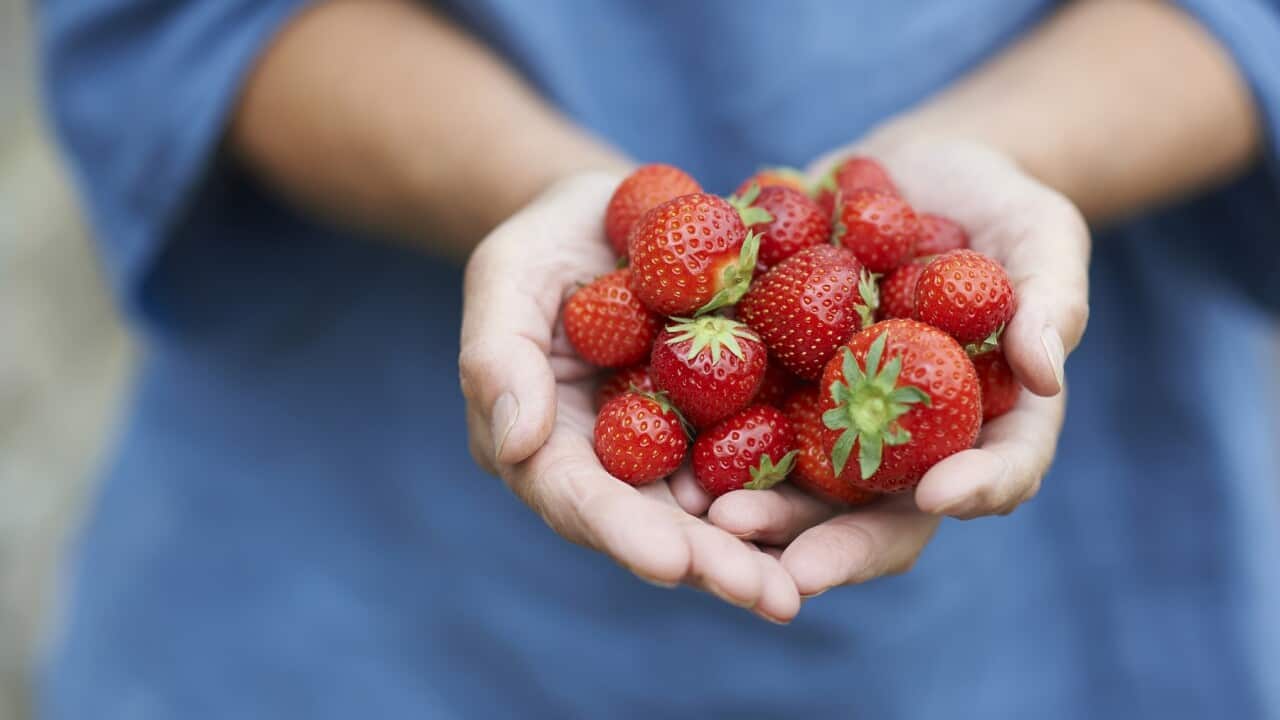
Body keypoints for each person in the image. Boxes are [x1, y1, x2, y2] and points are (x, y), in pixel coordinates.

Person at [36, 0, 1280, 717]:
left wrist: (1007, 147)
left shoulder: (838, 304)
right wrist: (529, 188)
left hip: (1072, 611)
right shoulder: (773, 299)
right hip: (362, 591)